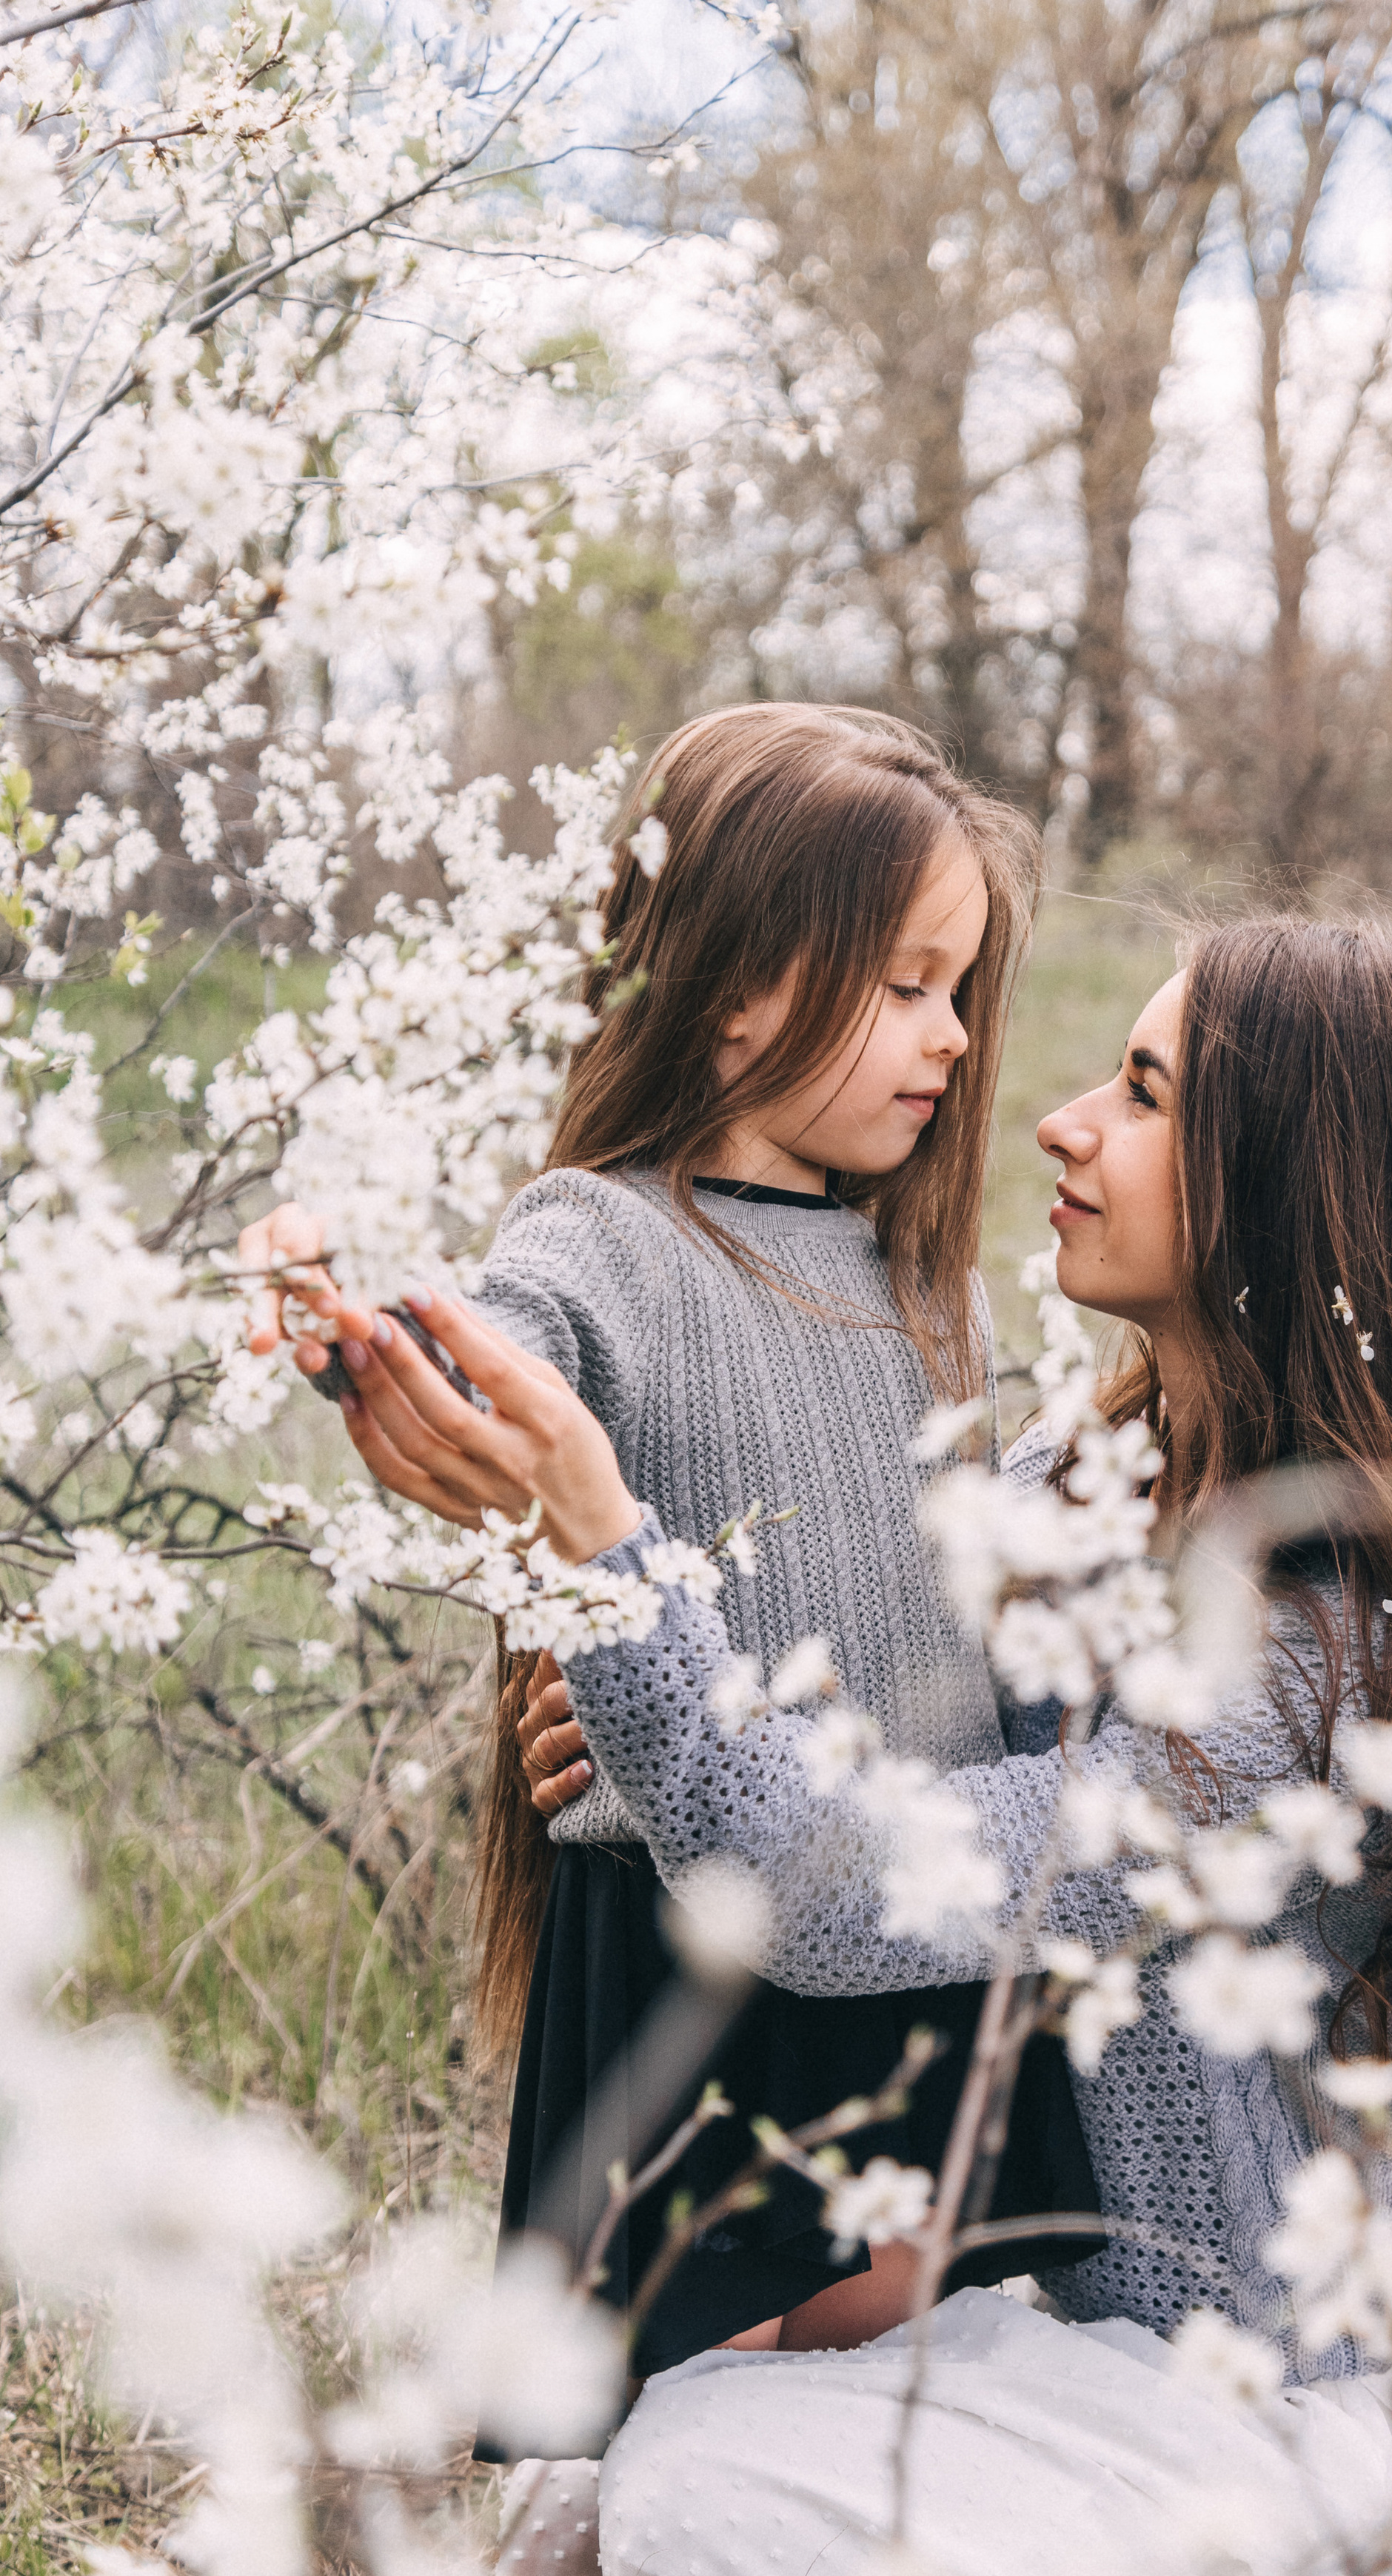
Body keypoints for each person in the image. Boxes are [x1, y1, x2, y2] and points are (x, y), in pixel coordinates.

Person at [311, 913, 1392, 2576]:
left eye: (1150, 1095)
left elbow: (857, 1879)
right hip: (1018, 2271)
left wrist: (607, 1561)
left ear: (1296, 1191)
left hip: (1233, 2389)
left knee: (700, 2496)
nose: (1063, 1126)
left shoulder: (1332, 1668)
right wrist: (612, 1704)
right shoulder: (1074, 1496)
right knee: (605, 2489)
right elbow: (801, 1709)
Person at [236, 703, 1098, 2379]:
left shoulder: (931, 1293)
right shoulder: (605, 1234)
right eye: (903, 986)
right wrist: (348, 1311)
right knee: (691, 2383)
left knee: (888, 2351)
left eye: (959, 994)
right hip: (702, 1946)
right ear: (732, 984)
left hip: (904, 1915)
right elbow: (494, 1360)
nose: (947, 1041)